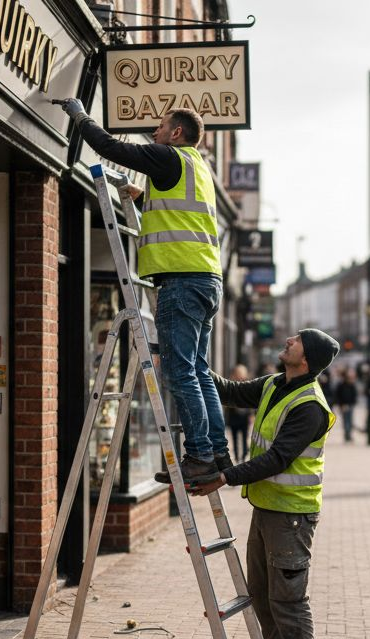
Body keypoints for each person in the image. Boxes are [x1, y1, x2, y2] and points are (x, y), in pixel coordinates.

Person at [60, 99, 227, 485]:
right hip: (206, 279)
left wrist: (81, 115)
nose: (155, 132)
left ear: (177, 133)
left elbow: (111, 148)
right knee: (199, 371)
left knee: (181, 371)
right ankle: (217, 451)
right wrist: (143, 196)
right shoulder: (196, 167)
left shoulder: (168, 157)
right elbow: (175, 211)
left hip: (181, 280)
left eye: (161, 126)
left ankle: (199, 456)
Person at [188, 329, 340, 639]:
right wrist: (190, 364)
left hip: (292, 516)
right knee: (260, 592)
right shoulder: (276, 383)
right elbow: (232, 391)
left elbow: (277, 459)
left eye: (298, 339)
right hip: (269, 508)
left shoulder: (310, 406)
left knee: (288, 598)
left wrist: (223, 477)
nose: (289, 339)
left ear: (306, 360)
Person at [226, 364, 252, 461]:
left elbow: (250, 402)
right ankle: (237, 456)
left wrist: (251, 415)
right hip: (234, 417)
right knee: (235, 439)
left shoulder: (247, 384)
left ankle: (244, 454)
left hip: (243, 417)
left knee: (244, 438)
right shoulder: (231, 384)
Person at [334, 368, 360, 443]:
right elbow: (338, 395)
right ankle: (347, 435)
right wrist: (341, 405)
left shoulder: (352, 384)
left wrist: (353, 403)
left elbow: (354, 395)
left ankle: (348, 435)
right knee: (346, 421)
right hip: (344, 405)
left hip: (350, 405)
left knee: (350, 420)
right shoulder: (341, 385)